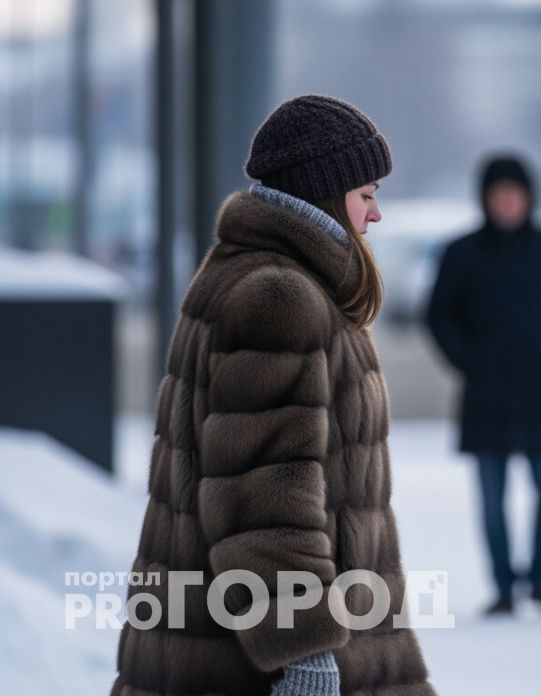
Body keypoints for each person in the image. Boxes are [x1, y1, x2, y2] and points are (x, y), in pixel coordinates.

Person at [111, 95, 435, 695]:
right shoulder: (278, 298)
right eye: (367, 195)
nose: (375, 215)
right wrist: (304, 650)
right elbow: (266, 498)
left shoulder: (264, 280)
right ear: (325, 195)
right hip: (254, 660)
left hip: (229, 642)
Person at [425, 154, 541, 617]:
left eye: (515, 193)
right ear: (485, 199)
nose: (508, 203)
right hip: (485, 393)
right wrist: (467, 360)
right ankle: (501, 585)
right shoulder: (462, 252)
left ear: (530, 198)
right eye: (499, 194)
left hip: (540, 391)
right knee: (492, 497)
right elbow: (439, 315)